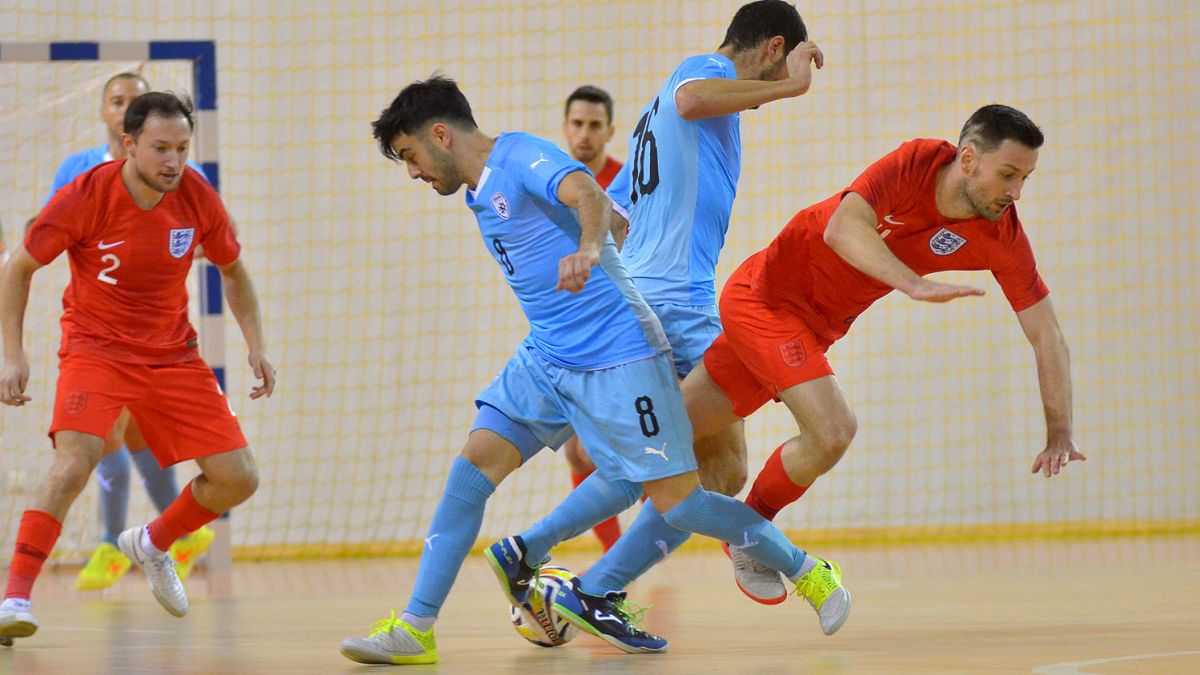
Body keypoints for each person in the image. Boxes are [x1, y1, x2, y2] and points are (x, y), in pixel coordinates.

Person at [339, 75, 847, 665]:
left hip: (619, 358)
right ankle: (415, 628)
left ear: (440, 134)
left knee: (684, 500)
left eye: (411, 156)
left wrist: (586, 247)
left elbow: (588, 192)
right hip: (547, 355)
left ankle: (806, 570)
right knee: (471, 471)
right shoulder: (481, 186)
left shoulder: (522, 154)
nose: (414, 172)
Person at [681, 103, 1085, 602]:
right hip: (766, 298)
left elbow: (1048, 335)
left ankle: (570, 454)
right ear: (967, 160)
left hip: (815, 330)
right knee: (833, 431)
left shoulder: (1001, 234)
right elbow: (842, 228)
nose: (1016, 192)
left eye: (1025, 178)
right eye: (1007, 174)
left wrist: (1060, 430)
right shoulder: (915, 163)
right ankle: (749, 535)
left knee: (653, 439)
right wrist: (911, 283)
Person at [498, 0, 825, 614]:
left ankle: (568, 575)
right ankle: (572, 574)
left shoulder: (653, 118)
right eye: (780, 69)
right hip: (681, 302)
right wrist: (794, 87)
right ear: (774, 48)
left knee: (691, 462)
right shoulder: (702, 73)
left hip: (647, 295)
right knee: (709, 466)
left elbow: (613, 212)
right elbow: (695, 100)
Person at [0, 92, 275, 645]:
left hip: (173, 356)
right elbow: (19, 268)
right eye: (160, 149)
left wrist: (256, 344)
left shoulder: (197, 198)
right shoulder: (85, 195)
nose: (173, 161)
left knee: (239, 478)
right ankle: (14, 597)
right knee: (75, 462)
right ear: (128, 145)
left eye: (181, 148)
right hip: (96, 349)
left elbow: (234, 270)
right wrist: (13, 353)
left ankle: (150, 542)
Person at [38, 71, 216, 592]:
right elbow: (52, 229)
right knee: (121, 431)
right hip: (99, 327)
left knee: (116, 432)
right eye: (116, 101)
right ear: (105, 114)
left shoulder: (179, 171)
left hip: (157, 331)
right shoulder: (81, 170)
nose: (125, 108)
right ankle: (160, 535)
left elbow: (209, 238)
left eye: (135, 101)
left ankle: (115, 541)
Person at [558, 84, 625, 551]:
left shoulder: (627, 181)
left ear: (610, 131)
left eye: (594, 125)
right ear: (565, 128)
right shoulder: (552, 182)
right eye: (577, 124)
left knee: (642, 449)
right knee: (578, 449)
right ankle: (614, 554)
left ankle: (636, 548)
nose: (584, 134)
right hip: (576, 331)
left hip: (627, 327)